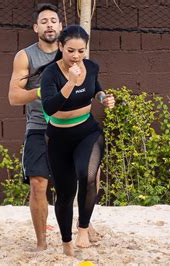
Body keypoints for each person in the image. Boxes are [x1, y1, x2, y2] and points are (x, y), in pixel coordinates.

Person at [39, 25, 116, 256]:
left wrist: (104, 98)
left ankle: (83, 228)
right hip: (59, 137)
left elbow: (96, 89)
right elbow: (49, 108)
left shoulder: (91, 67)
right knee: (65, 193)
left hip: (87, 132)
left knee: (88, 175)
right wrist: (70, 82)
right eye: (71, 50)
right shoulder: (50, 74)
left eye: (81, 51)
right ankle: (66, 243)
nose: (76, 56)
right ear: (61, 46)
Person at [8, 3, 62, 251]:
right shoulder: (25, 56)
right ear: (35, 27)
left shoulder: (72, 51)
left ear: (60, 26)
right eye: (44, 21)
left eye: (53, 20)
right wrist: (40, 91)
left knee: (79, 179)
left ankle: (85, 226)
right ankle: (42, 243)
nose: (49, 24)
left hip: (69, 126)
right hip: (38, 126)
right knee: (38, 183)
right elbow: (13, 97)